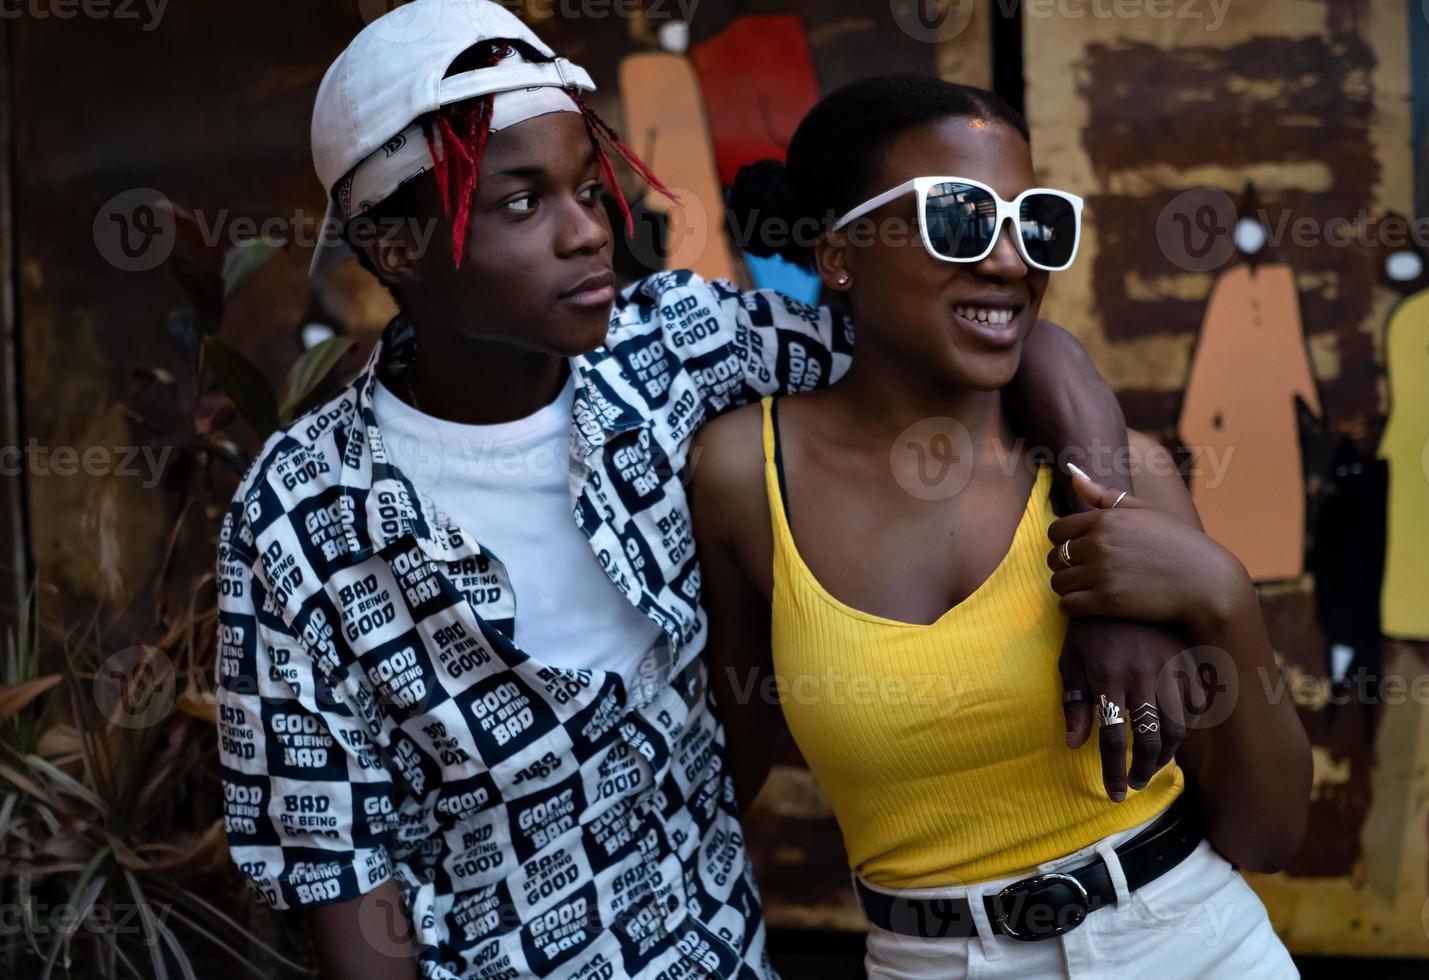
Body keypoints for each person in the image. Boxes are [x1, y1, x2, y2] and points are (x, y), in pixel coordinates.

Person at [214, 3, 1178, 978]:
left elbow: (999, 340)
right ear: (397, 248)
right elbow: (333, 862)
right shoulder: (296, 520)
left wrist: (1111, 562)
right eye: (521, 202)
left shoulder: (675, 347)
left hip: (710, 952)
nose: (589, 231)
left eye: (591, 189)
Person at [691, 74, 1312, 978]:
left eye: (1036, 224)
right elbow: (721, 777)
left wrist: (1223, 597)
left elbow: (1268, 830)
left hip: (1186, 940)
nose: (1011, 261)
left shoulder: (1122, 475)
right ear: (838, 253)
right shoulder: (746, 476)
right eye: (960, 219)